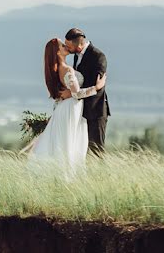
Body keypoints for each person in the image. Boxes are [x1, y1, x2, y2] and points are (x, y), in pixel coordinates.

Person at [24, 38, 106, 175]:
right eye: (62, 45)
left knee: (67, 143)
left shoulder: (60, 68)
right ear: (57, 52)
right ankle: (68, 176)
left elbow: (68, 93)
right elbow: (77, 93)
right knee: (70, 144)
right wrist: (97, 87)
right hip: (70, 109)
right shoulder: (67, 69)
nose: (66, 46)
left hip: (68, 108)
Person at [63, 28, 110, 156]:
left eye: (68, 45)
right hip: (79, 110)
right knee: (81, 151)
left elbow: (96, 85)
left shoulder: (98, 56)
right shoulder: (76, 56)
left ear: (78, 44)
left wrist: (73, 92)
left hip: (95, 111)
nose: (66, 47)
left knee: (96, 151)